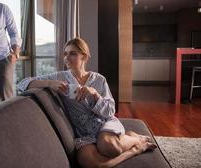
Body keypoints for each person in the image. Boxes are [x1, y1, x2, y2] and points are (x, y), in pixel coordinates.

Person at [18, 37, 156, 168]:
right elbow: (22, 83)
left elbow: (110, 111)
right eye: (65, 54)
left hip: (104, 125)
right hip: (84, 133)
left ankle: (135, 138)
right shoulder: (59, 77)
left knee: (109, 147)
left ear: (84, 56)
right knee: (90, 163)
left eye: (72, 54)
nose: (66, 58)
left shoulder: (99, 80)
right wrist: (49, 83)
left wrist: (95, 94)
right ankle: (135, 149)